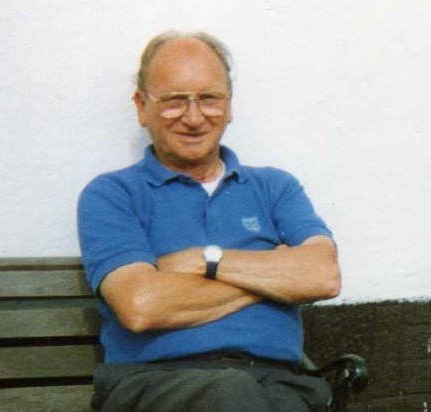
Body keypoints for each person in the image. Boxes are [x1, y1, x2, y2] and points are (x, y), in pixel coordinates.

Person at [77, 30, 341, 412]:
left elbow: (322, 276)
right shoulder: (112, 194)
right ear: (141, 106)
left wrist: (207, 260)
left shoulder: (274, 187)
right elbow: (141, 306)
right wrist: (276, 276)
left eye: (209, 99)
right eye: (174, 101)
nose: (194, 117)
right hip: (153, 384)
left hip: (279, 383)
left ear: (229, 106)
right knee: (231, 393)